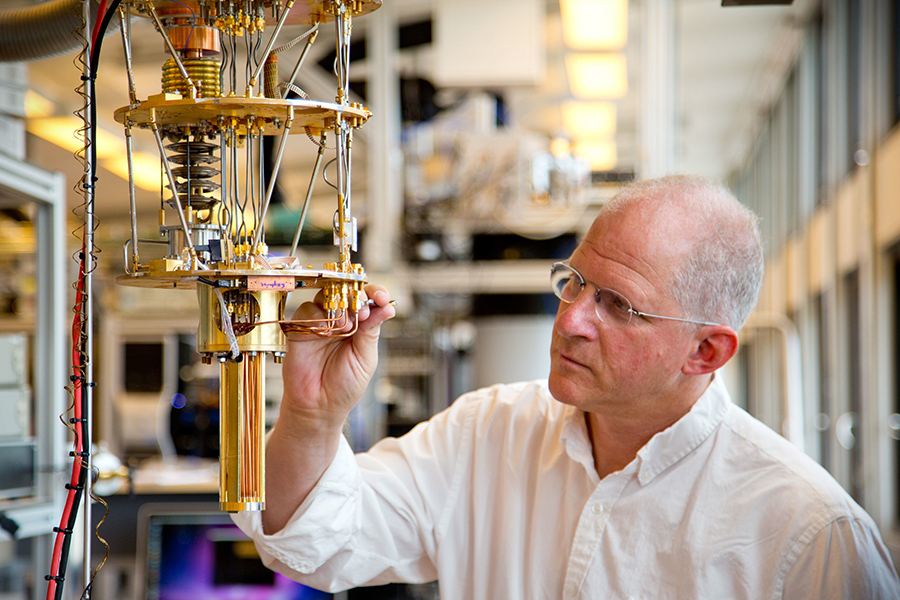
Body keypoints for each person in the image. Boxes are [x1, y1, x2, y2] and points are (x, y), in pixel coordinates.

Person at [233, 175, 900, 599]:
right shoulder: (488, 433)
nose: (572, 319)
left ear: (705, 350)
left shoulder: (810, 536)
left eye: (618, 305)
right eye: (575, 282)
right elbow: (316, 541)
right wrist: (313, 415)